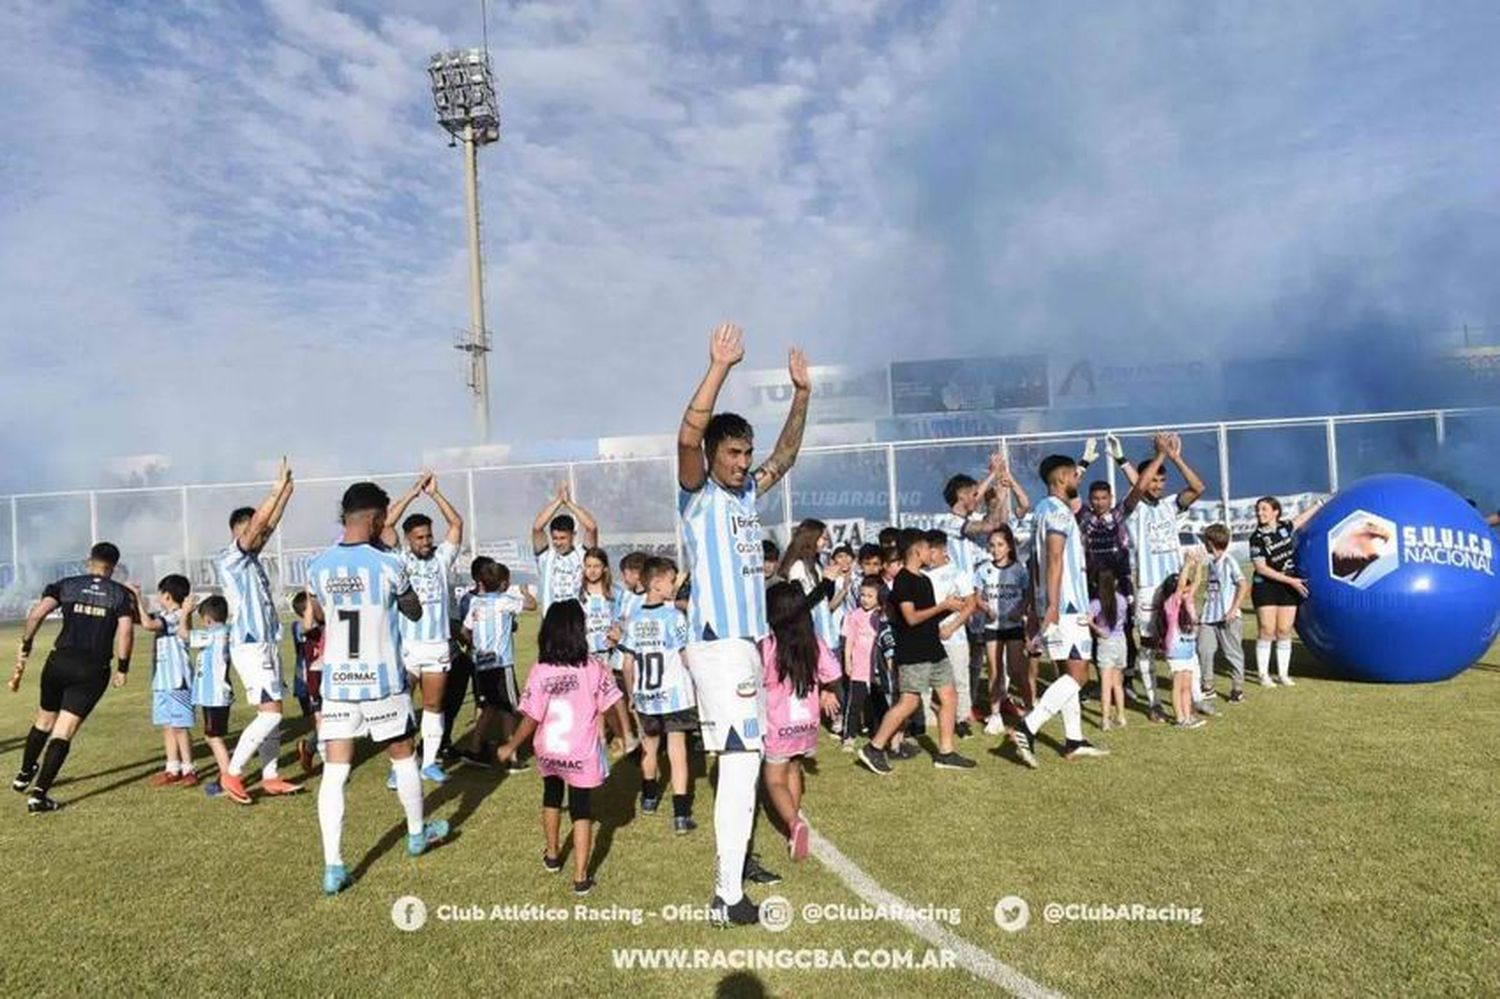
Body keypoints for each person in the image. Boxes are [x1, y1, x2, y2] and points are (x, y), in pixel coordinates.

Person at [676, 322, 811, 927]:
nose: (742, 462)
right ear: (712, 456)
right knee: (739, 765)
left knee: (743, 763)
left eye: (744, 453)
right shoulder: (696, 493)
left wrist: (802, 395)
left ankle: (735, 871)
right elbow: (686, 433)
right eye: (731, 453)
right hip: (721, 647)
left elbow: (786, 455)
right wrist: (719, 367)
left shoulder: (747, 496)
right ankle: (727, 895)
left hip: (744, 647)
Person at [303, 482, 448, 896]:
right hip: (382, 681)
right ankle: (418, 834)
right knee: (404, 756)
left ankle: (333, 865)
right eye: (384, 517)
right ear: (373, 518)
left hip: (338, 685)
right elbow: (414, 611)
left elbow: (314, 615)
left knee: (335, 771)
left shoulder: (317, 566)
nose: (387, 524)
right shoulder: (388, 564)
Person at [498, 601, 630, 897]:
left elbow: (531, 717)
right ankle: (581, 877)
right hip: (580, 753)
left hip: (549, 751)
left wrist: (512, 745)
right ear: (579, 631)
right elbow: (611, 705)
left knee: (552, 796)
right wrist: (624, 735)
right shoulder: (593, 667)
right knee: (581, 809)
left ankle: (553, 855)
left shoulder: (540, 670)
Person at [9, 543, 136, 813]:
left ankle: (23, 774)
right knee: (63, 731)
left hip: (59, 661)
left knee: (43, 720)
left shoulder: (66, 584)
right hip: (91, 669)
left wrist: (27, 643)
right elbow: (125, 633)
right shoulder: (120, 594)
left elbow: (36, 614)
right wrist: (123, 667)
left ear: (89, 561)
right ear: (114, 567)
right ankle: (39, 795)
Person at [1006, 456, 1110, 767]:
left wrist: (1037, 606)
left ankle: (1074, 740)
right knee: (1080, 674)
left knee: (1067, 672)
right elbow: (1053, 557)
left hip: (1051, 603)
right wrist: (1052, 605)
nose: (1078, 478)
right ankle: (1028, 726)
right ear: (1063, 478)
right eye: (1073, 475)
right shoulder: (1059, 512)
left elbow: (1034, 563)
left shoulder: (1040, 510)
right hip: (1066, 605)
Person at [856, 529, 976, 775]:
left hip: (933, 648)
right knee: (909, 702)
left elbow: (926, 615)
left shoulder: (924, 579)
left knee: (950, 696)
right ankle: (875, 747)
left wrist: (949, 608)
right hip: (913, 652)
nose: (931, 553)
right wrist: (943, 606)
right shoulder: (904, 580)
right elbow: (910, 618)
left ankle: (945, 752)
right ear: (916, 551)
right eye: (927, 548)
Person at [215, 458, 300, 803]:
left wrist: (286, 496)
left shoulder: (250, 557)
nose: (260, 533)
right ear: (238, 531)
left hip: (265, 643)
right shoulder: (231, 558)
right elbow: (259, 527)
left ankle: (270, 775)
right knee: (270, 712)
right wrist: (275, 491)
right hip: (249, 646)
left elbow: (268, 526)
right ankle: (232, 773)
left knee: (274, 712)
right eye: (253, 528)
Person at [381, 472, 465, 784]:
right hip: (406, 647)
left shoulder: (442, 558)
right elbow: (386, 526)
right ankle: (399, 766)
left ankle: (429, 762)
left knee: (433, 705)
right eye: (419, 537)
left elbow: (456, 524)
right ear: (408, 540)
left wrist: (436, 495)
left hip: (437, 646)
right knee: (402, 704)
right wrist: (412, 493)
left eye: (428, 536)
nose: (426, 541)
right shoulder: (397, 559)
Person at [1124, 433, 1206, 722]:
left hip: (1175, 585)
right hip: (1148, 587)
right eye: (1153, 480)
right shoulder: (1132, 508)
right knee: (1149, 646)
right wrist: (1158, 454)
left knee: (1184, 638)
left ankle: (1194, 698)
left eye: (1161, 480)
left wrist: (1174, 457)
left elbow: (1198, 487)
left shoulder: (1171, 505)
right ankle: (1154, 702)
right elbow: (1139, 487)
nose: (1157, 486)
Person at [760, 582, 842, 861]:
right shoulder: (815, 642)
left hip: (778, 724)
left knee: (774, 781)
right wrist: (828, 692)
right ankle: (794, 825)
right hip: (807, 724)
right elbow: (833, 673)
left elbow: (758, 681)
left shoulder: (768, 647)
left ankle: (794, 824)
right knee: (794, 768)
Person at [618, 557, 698, 833]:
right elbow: (685, 655)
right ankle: (680, 815)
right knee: (677, 751)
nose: (674, 585)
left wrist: (631, 695)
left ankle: (649, 798)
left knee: (649, 748)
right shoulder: (674, 616)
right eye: (671, 580)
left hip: (645, 695)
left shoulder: (634, 619)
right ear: (655, 583)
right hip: (675, 695)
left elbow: (627, 664)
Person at [461, 560, 535, 769]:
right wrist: (525, 592)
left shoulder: (476, 603)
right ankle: (511, 757)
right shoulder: (505, 601)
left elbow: (466, 631)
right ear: (503, 584)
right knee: (509, 709)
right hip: (502, 664)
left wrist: (476, 647)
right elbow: (532, 605)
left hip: (482, 665)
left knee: (489, 707)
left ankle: (475, 750)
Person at [1249, 495, 1325, 687]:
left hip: (1288, 586)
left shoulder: (1284, 528)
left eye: (1264, 509)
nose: (1260, 513)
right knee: (1267, 630)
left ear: (1275, 512)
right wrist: (1291, 580)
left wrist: (1319, 504)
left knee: (1284, 630)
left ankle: (1283, 675)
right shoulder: (1256, 538)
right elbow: (1261, 568)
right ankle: (1263, 675)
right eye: (1258, 510)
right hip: (1266, 586)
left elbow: (1300, 519)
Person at [131, 575, 197, 788]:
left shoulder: (177, 616)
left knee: (180, 726)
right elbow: (141, 619)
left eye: (160, 594)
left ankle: (189, 768)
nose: (158, 597)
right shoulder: (166, 614)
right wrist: (136, 599)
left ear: (167, 595)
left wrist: (138, 597)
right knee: (168, 726)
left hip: (178, 680)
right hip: (162, 681)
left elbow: (148, 624)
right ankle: (172, 768)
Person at [923, 529, 979, 738]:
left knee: (959, 679)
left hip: (955, 637)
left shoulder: (958, 573)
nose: (928, 556)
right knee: (926, 679)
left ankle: (961, 719)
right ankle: (926, 718)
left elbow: (970, 603)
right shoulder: (922, 574)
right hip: (929, 636)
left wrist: (952, 627)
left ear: (942, 550)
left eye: (931, 551)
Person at [977, 526, 1030, 733]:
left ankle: (1031, 708)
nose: (996, 549)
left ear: (1009, 547)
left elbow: (1027, 595)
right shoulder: (983, 570)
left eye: (1000, 545)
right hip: (993, 627)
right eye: (992, 545)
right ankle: (995, 714)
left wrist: (1019, 610)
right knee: (994, 670)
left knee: (1017, 670)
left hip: (1014, 626)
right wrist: (985, 608)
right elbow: (977, 597)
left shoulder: (1019, 569)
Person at [184, 595, 234, 796]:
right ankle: (227, 775)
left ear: (207, 619)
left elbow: (183, 634)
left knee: (214, 738)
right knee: (212, 736)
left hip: (214, 695)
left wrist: (185, 613)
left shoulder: (213, 634)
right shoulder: (226, 632)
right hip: (217, 694)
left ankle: (227, 778)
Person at [1198, 523, 1250, 703]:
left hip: (1227, 616)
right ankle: (1207, 686)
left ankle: (1237, 689)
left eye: (1205, 541)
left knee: (1232, 652)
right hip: (1209, 617)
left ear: (1210, 542)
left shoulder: (1229, 561)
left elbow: (1243, 584)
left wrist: (1233, 609)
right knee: (1204, 649)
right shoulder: (1212, 563)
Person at [778, 519, 842, 661]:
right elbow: (804, 603)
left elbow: (825, 598)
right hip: (809, 634)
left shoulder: (816, 564)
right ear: (811, 538)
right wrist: (826, 581)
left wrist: (830, 581)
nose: (825, 542)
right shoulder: (798, 568)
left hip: (824, 631)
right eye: (823, 538)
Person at [531, 483, 599, 615]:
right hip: (552, 622)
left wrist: (568, 503)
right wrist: (558, 502)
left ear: (573, 535)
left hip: (577, 621)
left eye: (563, 538)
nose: (558, 542)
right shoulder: (546, 556)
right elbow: (537, 528)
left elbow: (592, 528)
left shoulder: (583, 554)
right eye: (555, 538)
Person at [1158, 552, 1206, 728]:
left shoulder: (1188, 602)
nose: (1187, 590)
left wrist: (1199, 564)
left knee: (1187, 686)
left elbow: (1197, 583)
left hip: (1188, 651)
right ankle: (1180, 718)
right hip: (1176, 651)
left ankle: (1188, 716)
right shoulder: (1172, 604)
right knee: (1178, 686)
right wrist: (1186, 565)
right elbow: (1180, 587)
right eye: (1184, 587)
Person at [840, 577, 882, 750]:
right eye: (862, 595)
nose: (865, 599)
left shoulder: (881, 616)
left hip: (876, 670)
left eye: (870, 596)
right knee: (854, 703)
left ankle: (876, 732)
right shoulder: (853, 616)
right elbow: (849, 641)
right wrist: (847, 662)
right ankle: (849, 735)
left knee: (875, 702)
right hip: (858, 667)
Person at [1090, 569, 1128, 730]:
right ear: (1115, 582)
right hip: (1120, 641)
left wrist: (1095, 627)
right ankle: (1121, 716)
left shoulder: (1096, 603)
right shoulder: (1122, 600)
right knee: (1117, 683)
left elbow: (1089, 621)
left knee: (1105, 685)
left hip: (1105, 643)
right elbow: (1123, 620)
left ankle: (1105, 720)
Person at [291, 591, 325, 773]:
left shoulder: (322, 624)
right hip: (311, 683)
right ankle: (326, 761)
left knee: (330, 721)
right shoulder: (298, 627)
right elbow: (307, 628)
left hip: (326, 679)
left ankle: (309, 747)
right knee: (323, 722)